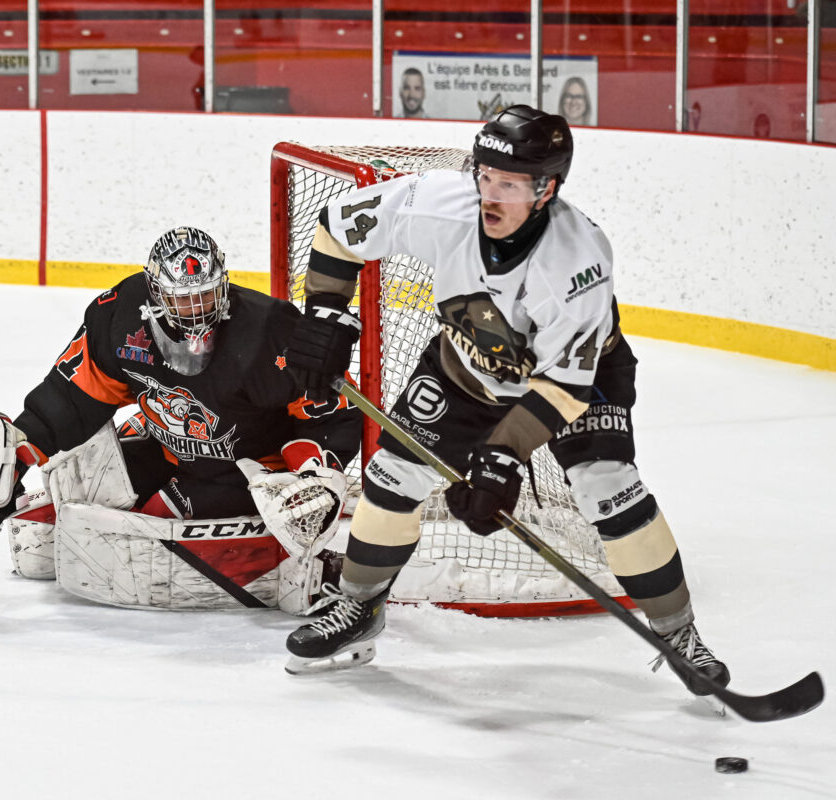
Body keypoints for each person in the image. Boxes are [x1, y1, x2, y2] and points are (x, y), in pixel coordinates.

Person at [281, 105, 731, 696]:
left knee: (609, 490)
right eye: (485, 177)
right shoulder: (438, 204)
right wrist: (326, 313)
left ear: (547, 190)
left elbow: (563, 388)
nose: (490, 197)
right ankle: (359, 607)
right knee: (392, 476)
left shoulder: (578, 261)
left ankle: (679, 635)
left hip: (576, 381)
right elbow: (340, 226)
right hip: (466, 366)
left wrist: (501, 456)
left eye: (510, 185)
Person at [0, 227, 360, 614]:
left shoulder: (269, 331)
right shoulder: (120, 316)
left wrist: (311, 473)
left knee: (146, 525)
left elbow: (331, 413)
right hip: (168, 449)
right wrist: (21, 452)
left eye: (205, 296)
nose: (195, 311)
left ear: (224, 287)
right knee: (63, 510)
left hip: (248, 471)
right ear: (155, 292)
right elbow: (73, 395)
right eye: (181, 298)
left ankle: (273, 562)